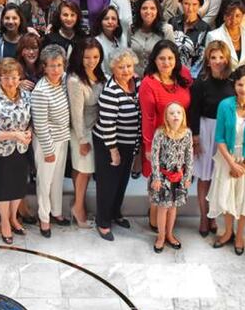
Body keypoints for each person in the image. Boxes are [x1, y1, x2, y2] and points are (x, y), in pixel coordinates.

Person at [207, 65, 245, 255]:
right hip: (227, 158)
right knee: (227, 196)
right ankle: (228, 232)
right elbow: (219, 138)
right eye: (240, 84)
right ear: (234, 85)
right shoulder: (225, 105)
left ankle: (240, 235)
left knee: (244, 199)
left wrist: (244, 166)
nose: (243, 89)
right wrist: (231, 163)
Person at [139, 39, 193, 228]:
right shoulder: (148, 83)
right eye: (161, 58)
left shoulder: (183, 76)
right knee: (158, 183)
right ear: (154, 60)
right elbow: (147, 118)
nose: (166, 63)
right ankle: (156, 221)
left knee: (175, 179)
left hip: (179, 141)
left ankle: (167, 223)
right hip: (159, 142)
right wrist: (148, 147)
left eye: (170, 58)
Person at [0, 58, 32, 244]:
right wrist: (15, 135)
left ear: (20, 77)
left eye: (14, 77)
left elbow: (30, 120)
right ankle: (4, 222)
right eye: (6, 78)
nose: (10, 82)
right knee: (2, 189)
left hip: (20, 149)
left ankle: (13, 217)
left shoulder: (26, 95)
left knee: (18, 187)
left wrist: (28, 133)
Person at [92, 48, 141, 241]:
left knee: (122, 182)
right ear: (113, 68)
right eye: (121, 67)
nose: (126, 70)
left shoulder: (135, 83)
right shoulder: (111, 91)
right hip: (110, 144)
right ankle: (103, 222)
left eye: (129, 66)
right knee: (107, 184)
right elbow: (107, 124)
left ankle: (115, 213)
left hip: (128, 142)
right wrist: (113, 151)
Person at [188, 41, 234, 236]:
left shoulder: (233, 82)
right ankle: (203, 217)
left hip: (225, 132)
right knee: (205, 176)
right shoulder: (200, 82)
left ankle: (213, 216)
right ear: (207, 60)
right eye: (213, 57)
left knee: (218, 176)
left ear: (227, 59)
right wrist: (196, 137)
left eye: (221, 57)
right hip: (206, 129)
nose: (217, 61)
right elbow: (194, 110)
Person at [30, 45, 71, 237]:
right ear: (44, 67)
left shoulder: (64, 81)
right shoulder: (40, 90)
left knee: (57, 180)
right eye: (52, 66)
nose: (56, 69)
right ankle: (44, 219)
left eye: (59, 65)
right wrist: (48, 151)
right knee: (44, 182)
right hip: (47, 143)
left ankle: (56, 212)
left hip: (62, 139)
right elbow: (40, 124)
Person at [67, 39, 104, 227]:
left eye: (96, 56)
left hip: (96, 129)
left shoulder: (98, 74)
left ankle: (78, 204)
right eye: (87, 57)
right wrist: (82, 140)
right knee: (84, 172)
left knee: (83, 171)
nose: (91, 61)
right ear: (80, 56)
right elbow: (76, 114)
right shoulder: (75, 80)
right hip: (82, 132)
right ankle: (78, 208)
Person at [149, 103, 194, 252]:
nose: (175, 115)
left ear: (183, 116)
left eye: (178, 113)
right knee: (163, 207)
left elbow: (189, 156)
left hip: (179, 178)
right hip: (163, 177)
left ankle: (170, 234)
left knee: (173, 207)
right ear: (166, 117)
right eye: (171, 113)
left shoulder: (187, 133)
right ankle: (161, 236)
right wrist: (156, 177)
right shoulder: (160, 133)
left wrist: (187, 176)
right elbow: (154, 156)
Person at [128, 0, 173, 75]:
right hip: (135, 77)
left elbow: (172, 56)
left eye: (152, 8)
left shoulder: (166, 29)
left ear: (157, 11)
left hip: (158, 78)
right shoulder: (132, 28)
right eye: (144, 8)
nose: (148, 12)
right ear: (139, 11)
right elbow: (128, 53)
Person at [171, 0, 213, 73]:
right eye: (186, 3)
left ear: (200, 5)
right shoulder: (173, 22)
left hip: (192, 75)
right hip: (170, 70)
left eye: (194, 4)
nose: (190, 8)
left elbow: (202, 59)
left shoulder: (205, 29)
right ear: (181, 3)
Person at [207, 1, 245, 69]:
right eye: (229, 15)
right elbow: (209, 64)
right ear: (224, 17)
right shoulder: (213, 36)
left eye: (237, 16)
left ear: (242, 17)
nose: (233, 20)